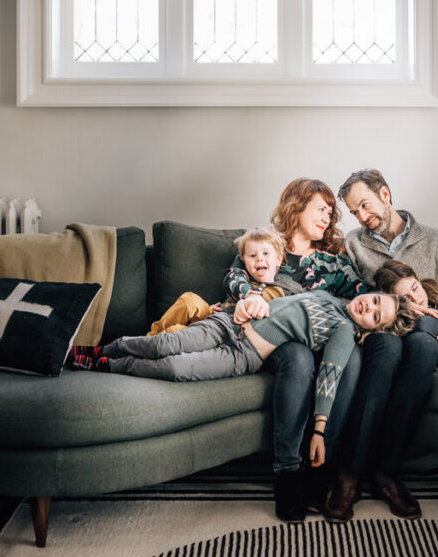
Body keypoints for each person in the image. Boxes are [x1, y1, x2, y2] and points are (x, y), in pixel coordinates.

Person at [70, 289, 418, 522]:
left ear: (371, 330)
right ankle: (107, 349)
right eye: (373, 300)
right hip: (228, 324)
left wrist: (319, 430)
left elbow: (330, 376)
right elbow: (273, 295)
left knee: (175, 368)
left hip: (242, 354)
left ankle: (109, 365)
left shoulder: (343, 331)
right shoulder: (325, 294)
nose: (368, 308)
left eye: (375, 316)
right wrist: (244, 300)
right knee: (165, 345)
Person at [325, 169, 438, 523]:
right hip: (378, 334)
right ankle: (349, 475)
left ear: (385, 194)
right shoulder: (354, 244)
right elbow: (339, 291)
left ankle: (387, 471)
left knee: (422, 347)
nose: (362, 217)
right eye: (355, 212)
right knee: (388, 349)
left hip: (424, 333)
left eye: (365, 205)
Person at [221, 178, 371, 522]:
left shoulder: (332, 262)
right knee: (300, 358)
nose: (327, 217)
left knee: (352, 357)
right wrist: (250, 295)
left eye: (331, 212)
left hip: (325, 341)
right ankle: (287, 474)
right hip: (276, 341)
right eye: (321, 208)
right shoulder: (267, 247)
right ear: (296, 207)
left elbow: (364, 296)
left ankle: (321, 467)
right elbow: (233, 275)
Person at [146, 227, 300, 335]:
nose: (259, 258)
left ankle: (154, 341)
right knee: (189, 300)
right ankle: (151, 335)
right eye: (252, 256)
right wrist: (211, 310)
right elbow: (231, 280)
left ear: (278, 260)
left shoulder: (283, 288)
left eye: (266, 253)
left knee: (175, 331)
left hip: (223, 329)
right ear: (244, 262)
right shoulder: (243, 279)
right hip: (215, 314)